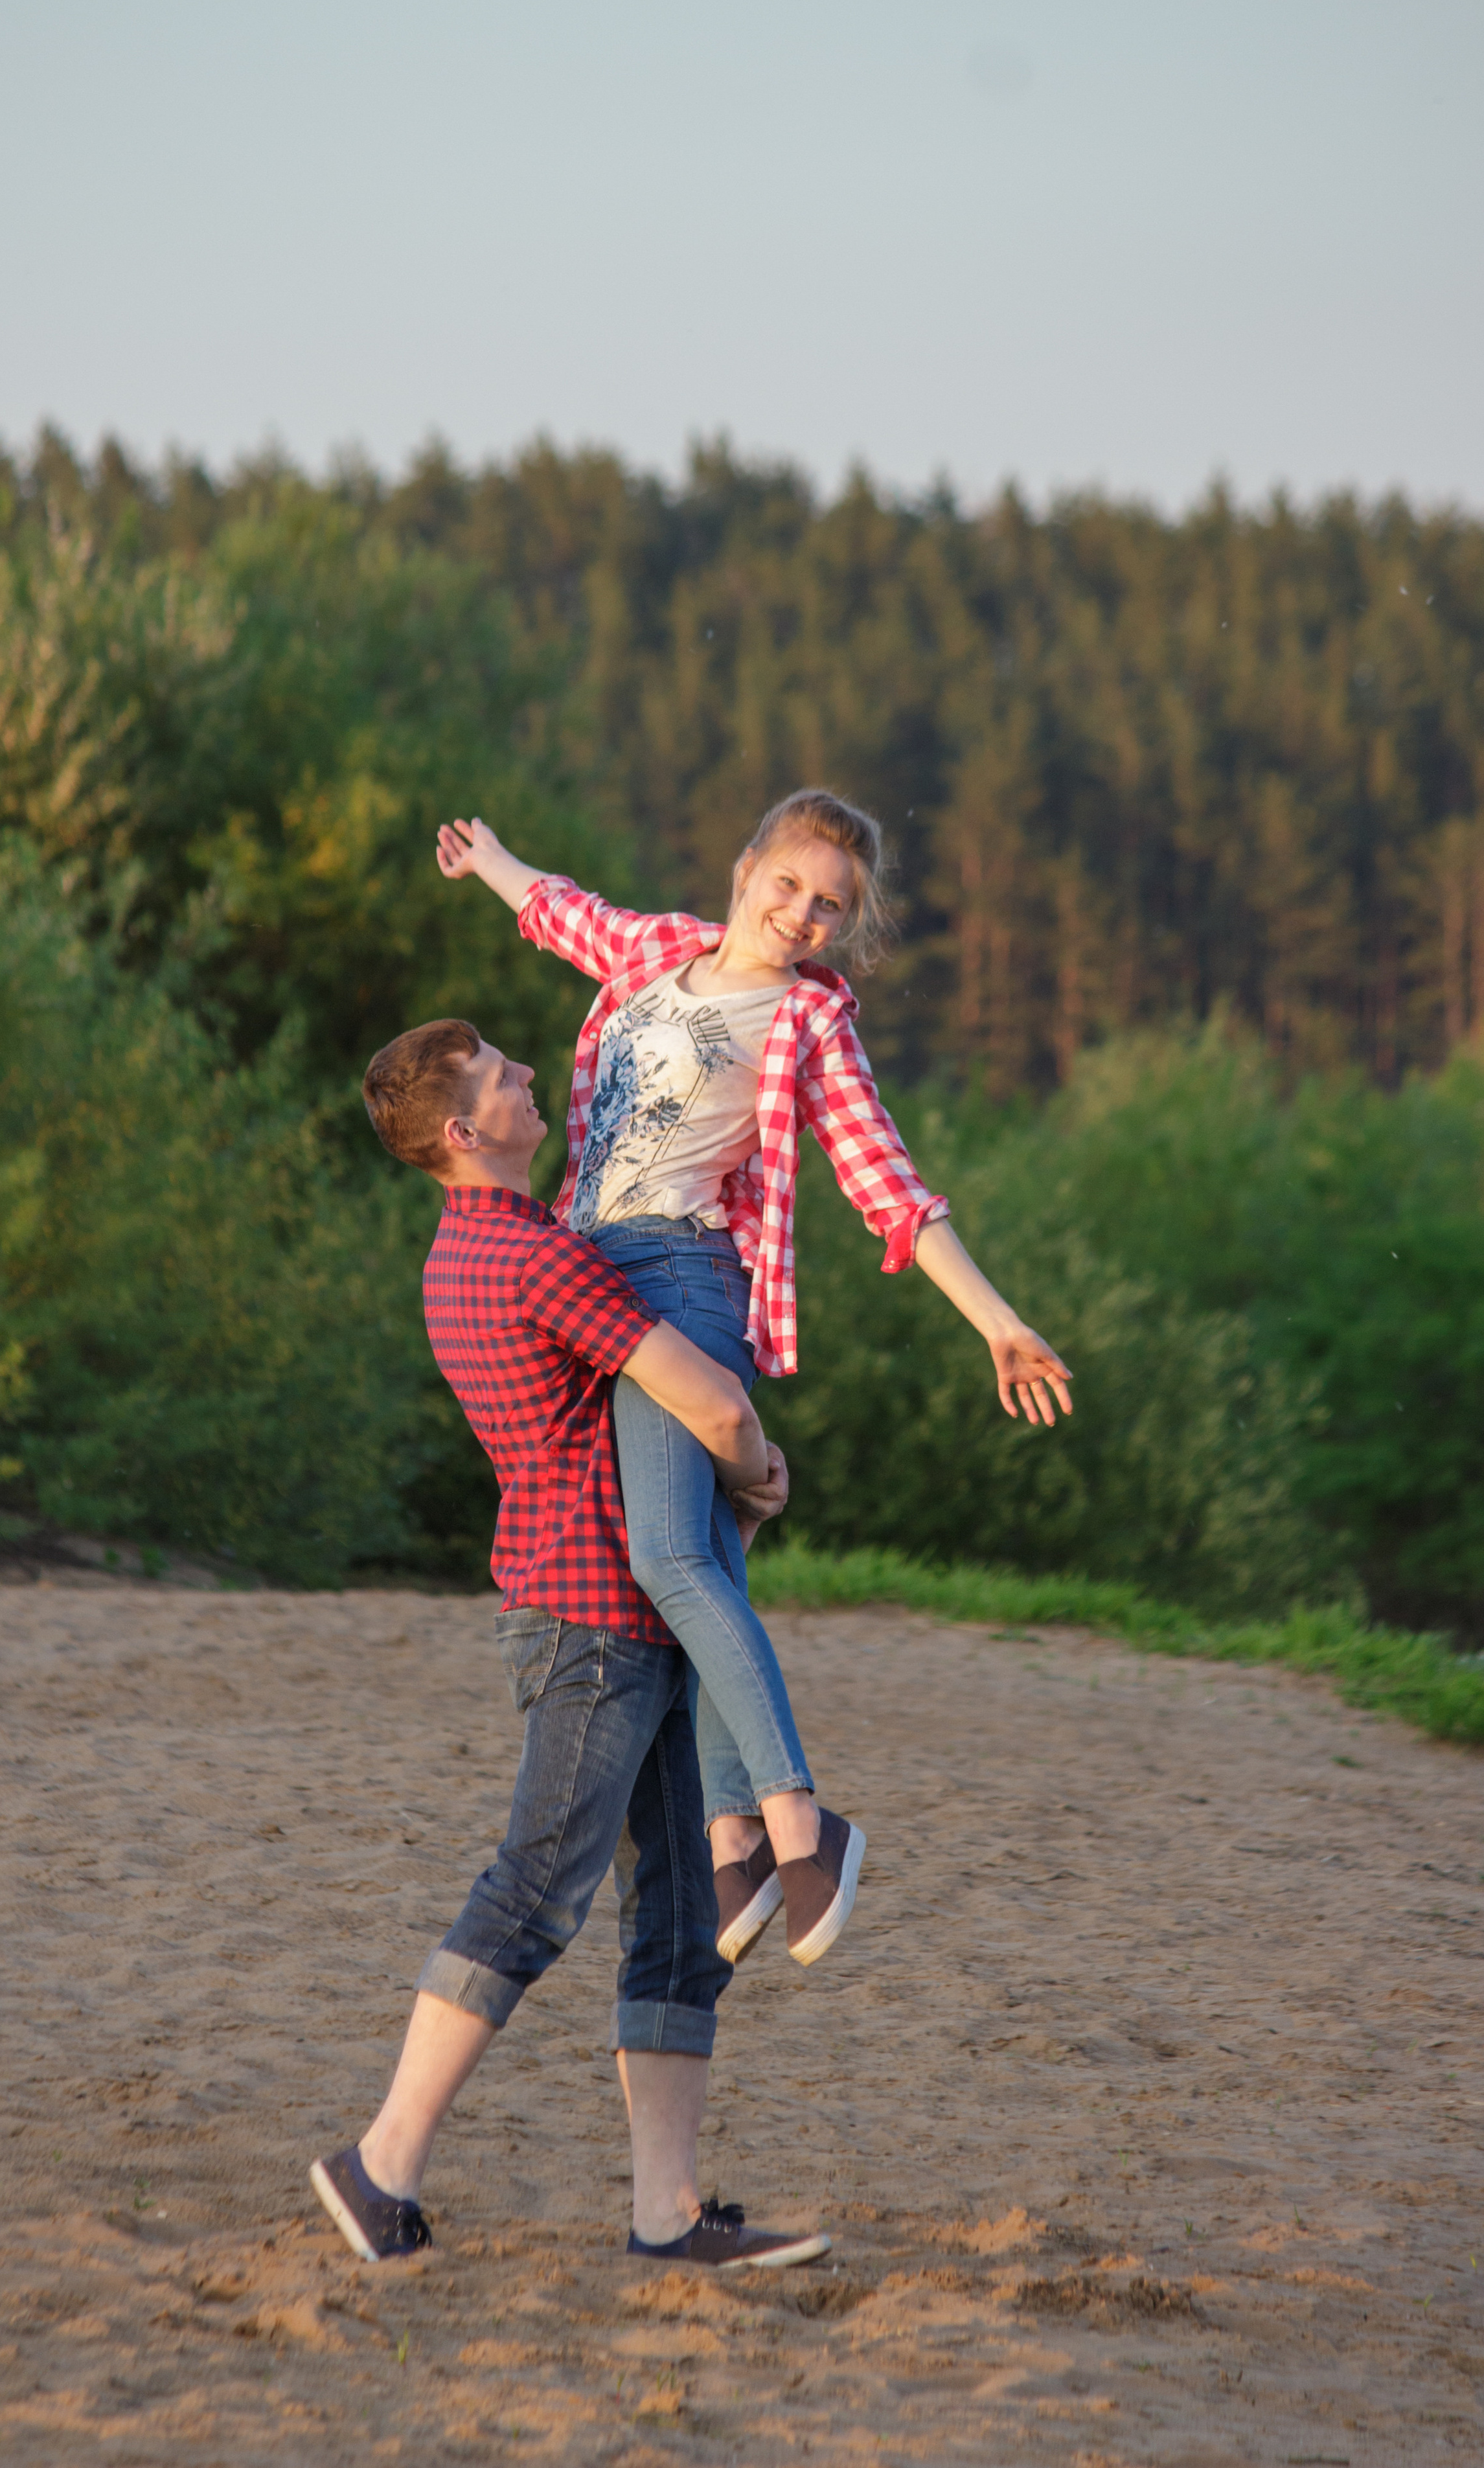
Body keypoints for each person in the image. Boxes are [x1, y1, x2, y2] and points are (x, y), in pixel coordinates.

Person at [435, 791, 1072, 1967]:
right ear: (746, 873)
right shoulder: (657, 952)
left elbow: (891, 1188)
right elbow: (563, 912)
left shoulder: (810, 1022)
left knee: (670, 1558)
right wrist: (492, 860)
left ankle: (799, 1827)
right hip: (591, 1277)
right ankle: (734, 1846)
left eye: (831, 906)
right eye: (789, 885)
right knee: (698, 1555)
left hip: (680, 1280)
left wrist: (999, 1321)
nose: (802, 915)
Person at [310, 1015, 836, 2269]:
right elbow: (708, 1399)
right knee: (537, 1887)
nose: (530, 1076)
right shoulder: (539, 1259)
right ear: (461, 1131)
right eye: (501, 1076)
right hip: (592, 1622)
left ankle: (667, 2213)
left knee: (678, 1915)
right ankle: (379, 2165)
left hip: (610, 1615)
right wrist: (755, 1471)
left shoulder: (475, 1252)